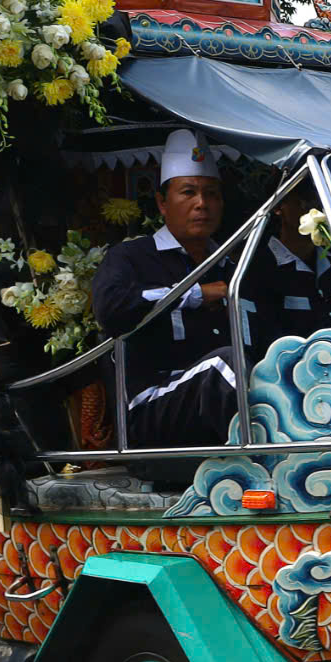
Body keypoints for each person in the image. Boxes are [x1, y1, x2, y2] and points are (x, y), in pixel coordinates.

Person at [92, 129, 243, 450]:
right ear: (162, 202)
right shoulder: (131, 256)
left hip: (224, 403)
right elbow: (111, 309)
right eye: (188, 192)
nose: (202, 203)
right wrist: (198, 295)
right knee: (225, 366)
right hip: (154, 408)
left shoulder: (234, 264)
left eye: (212, 194)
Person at [242, 181, 331, 353]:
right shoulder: (258, 269)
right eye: (304, 199)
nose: (314, 208)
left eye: (319, 200)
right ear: (279, 207)